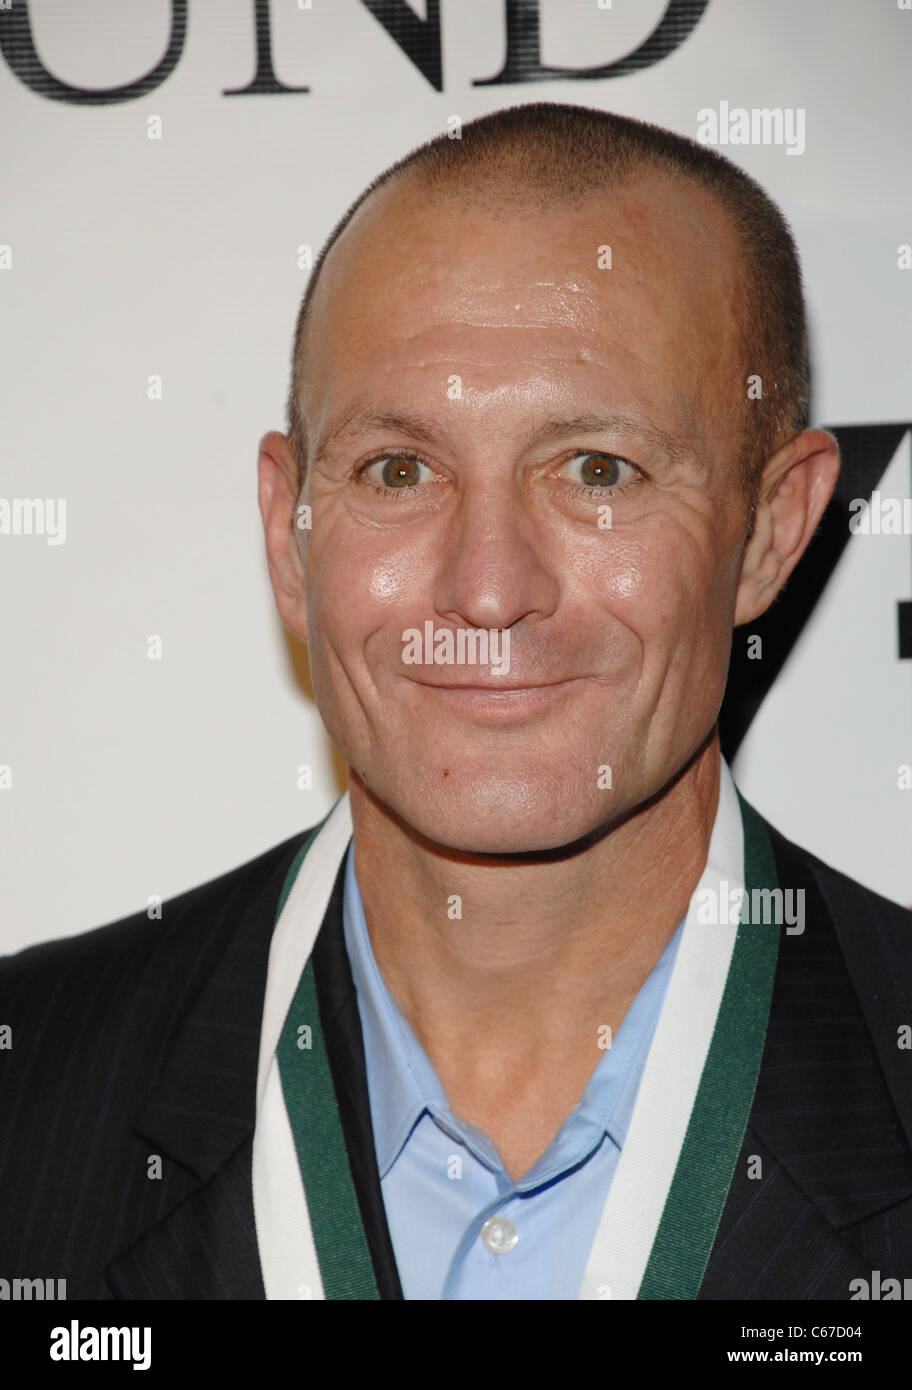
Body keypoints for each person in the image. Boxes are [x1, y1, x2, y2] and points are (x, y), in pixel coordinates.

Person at [2, 102, 910, 1303]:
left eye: (599, 469)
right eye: (399, 469)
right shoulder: (27, 1097)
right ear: (290, 529)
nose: (486, 590)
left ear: (771, 532)